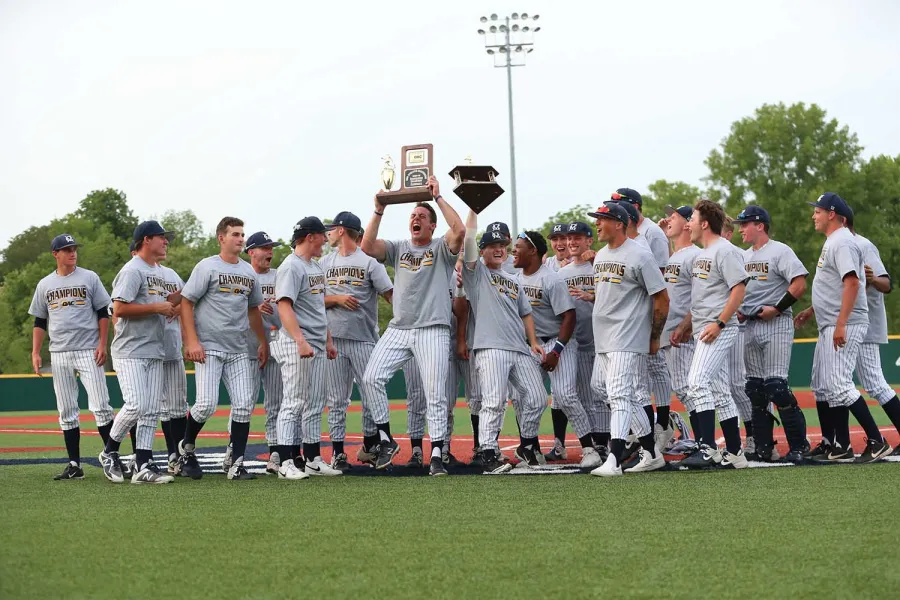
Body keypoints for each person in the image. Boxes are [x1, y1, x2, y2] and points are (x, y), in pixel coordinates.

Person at [360, 175, 466, 476]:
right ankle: (385, 438)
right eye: (412, 216)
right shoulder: (399, 247)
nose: (415, 220)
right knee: (371, 378)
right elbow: (367, 246)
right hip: (399, 328)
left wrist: (438, 198)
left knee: (434, 394)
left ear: (432, 226)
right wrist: (379, 209)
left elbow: (459, 230)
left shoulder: (440, 248)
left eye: (422, 217)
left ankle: (435, 455)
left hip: (433, 328)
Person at [794, 193, 891, 462]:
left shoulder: (843, 242)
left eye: (818, 211)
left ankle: (876, 440)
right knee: (827, 384)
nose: (814, 215)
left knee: (839, 383)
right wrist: (813, 310)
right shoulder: (835, 242)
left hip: (845, 322)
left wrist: (841, 324)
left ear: (833, 214)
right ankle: (839, 445)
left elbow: (852, 284)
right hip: (832, 321)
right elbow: (835, 286)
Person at [177, 217, 269, 481]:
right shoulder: (207, 267)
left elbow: (253, 310)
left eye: (242, 234)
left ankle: (236, 463)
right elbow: (186, 303)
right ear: (221, 238)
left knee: (243, 406)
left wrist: (262, 341)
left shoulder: (248, 272)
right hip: (209, 347)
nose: (241, 238)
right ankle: (187, 448)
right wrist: (191, 341)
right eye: (235, 234)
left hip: (239, 349)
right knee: (205, 404)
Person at [587, 203, 669, 476]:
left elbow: (661, 298)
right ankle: (652, 452)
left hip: (628, 336)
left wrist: (654, 337)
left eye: (602, 219)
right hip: (604, 339)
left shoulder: (640, 255)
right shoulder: (599, 256)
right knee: (604, 389)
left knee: (620, 394)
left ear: (619, 223)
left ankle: (614, 459)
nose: (597, 224)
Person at [461, 214, 546, 473]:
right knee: (494, 401)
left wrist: (533, 342)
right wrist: (473, 211)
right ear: (482, 250)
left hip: (519, 348)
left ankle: (526, 444)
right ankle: (487, 451)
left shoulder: (513, 279)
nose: (498, 249)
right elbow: (467, 241)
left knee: (538, 398)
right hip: (491, 347)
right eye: (491, 245)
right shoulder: (476, 274)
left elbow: (526, 313)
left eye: (502, 246)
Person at [29, 234, 115, 480]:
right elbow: (39, 320)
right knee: (66, 410)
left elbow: (103, 312)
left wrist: (102, 344)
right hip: (59, 353)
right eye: (66, 249)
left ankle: (112, 457)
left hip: (89, 350)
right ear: (55, 254)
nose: (72, 252)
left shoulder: (89, 277)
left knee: (101, 406)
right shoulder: (45, 284)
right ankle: (74, 464)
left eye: (74, 248)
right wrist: (35, 352)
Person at [100, 221, 178, 484]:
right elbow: (119, 308)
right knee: (136, 405)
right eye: (162, 237)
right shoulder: (133, 270)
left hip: (154, 348)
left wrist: (181, 300)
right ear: (146, 240)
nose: (166, 241)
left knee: (151, 410)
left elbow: (168, 303)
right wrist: (158, 307)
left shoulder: (160, 271)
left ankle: (143, 464)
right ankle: (109, 451)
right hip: (130, 349)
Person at [515, 229, 599, 467]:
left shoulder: (551, 278)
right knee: (526, 398)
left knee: (565, 395)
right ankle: (530, 449)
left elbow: (569, 317)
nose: (514, 250)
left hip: (558, 341)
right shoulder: (516, 279)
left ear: (532, 251)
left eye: (519, 246)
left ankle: (589, 449)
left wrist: (557, 350)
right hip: (533, 344)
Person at [733, 206, 810, 462]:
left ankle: (799, 445)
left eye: (745, 224)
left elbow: (799, 282)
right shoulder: (743, 256)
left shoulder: (780, 250)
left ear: (760, 225)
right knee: (755, 389)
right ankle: (764, 448)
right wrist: (740, 311)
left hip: (776, 322)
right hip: (750, 324)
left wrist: (777, 308)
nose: (741, 229)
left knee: (776, 386)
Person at [678, 200, 749, 469]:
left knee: (696, 382)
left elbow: (739, 289)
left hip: (718, 328)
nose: (689, 224)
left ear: (705, 223)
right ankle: (734, 452)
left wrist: (719, 323)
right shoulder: (703, 253)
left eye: (693, 219)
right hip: (703, 328)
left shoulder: (725, 250)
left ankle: (707, 448)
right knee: (719, 391)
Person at [320, 213, 393, 471]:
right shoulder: (324, 262)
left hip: (364, 339)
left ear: (342, 230)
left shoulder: (370, 262)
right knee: (337, 400)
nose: (328, 233)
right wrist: (336, 300)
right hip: (334, 340)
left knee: (370, 394)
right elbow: (313, 300)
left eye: (332, 229)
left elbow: (390, 295)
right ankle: (338, 453)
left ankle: (371, 446)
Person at [271, 216, 340, 479]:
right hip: (296, 344)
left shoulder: (315, 267)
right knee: (293, 403)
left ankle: (312, 458)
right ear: (310, 237)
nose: (326, 239)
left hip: (318, 344)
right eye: (323, 235)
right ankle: (286, 462)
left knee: (315, 403)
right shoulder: (291, 266)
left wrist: (328, 339)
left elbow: (318, 307)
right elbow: (284, 305)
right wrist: (300, 340)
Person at [222, 231, 284, 475]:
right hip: (245, 350)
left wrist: (271, 312)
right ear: (251, 252)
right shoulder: (242, 275)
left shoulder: (280, 277)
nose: (270, 251)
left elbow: (286, 315)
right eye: (264, 247)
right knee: (242, 404)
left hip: (276, 347)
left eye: (271, 247)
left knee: (276, 403)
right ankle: (232, 451)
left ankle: (276, 452)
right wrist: (254, 307)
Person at [846, 214, 900, 453]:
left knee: (875, 383)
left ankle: (871, 440)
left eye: (821, 211)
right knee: (836, 381)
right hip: (849, 323)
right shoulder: (839, 246)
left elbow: (886, 284)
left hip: (865, 324)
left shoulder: (863, 245)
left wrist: (872, 278)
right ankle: (836, 442)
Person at [558, 222, 611, 461]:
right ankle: (597, 443)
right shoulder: (561, 274)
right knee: (584, 397)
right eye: (569, 238)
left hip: (602, 341)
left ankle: (608, 440)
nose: (571, 242)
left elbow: (616, 296)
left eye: (577, 237)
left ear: (590, 240)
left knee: (603, 395)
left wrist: (593, 295)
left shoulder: (598, 266)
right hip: (576, 343)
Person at [658, 206, 702, 450]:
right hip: (671, 332)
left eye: (674, 217)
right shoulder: (676, 256)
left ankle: (704, 443)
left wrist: (687, 325)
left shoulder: (695, 255)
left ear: (688, 224)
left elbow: (700, 296)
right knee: (684, 389)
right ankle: (700, 441)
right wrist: (665, 237)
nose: (668, 220)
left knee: (689, 388)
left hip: (683, 333)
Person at [720, 215, 755, 454]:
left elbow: (744, 290)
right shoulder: (707, 253)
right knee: (723, 385)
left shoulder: (735, 253)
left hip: (736, 325)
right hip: (715, 325)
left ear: (728, 233)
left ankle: (755, 434)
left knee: (737, 383)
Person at [157, 247, 189, 475]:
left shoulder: (171, 275)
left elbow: (187, 300)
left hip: (173, 347)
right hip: (148, 351)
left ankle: (180, 457)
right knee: (158, 409)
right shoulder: (134, 273)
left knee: (178, 406)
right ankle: (171, 455)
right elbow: (118, 311)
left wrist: (176, 309)